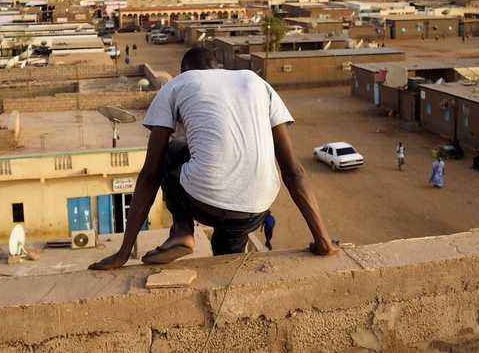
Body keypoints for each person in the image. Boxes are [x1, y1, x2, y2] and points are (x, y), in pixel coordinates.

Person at [89, 47, 336, 270]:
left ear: (183, 71)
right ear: (217, 67)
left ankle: (183, 231)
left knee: (173, 148)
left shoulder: (178, 84)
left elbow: (150, 174)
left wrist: (123, 253)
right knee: (226, 246)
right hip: (256, 209)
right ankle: (226, 268)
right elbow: (294, 171)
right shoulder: (256, 82)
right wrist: (323, 239)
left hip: (203, 202)